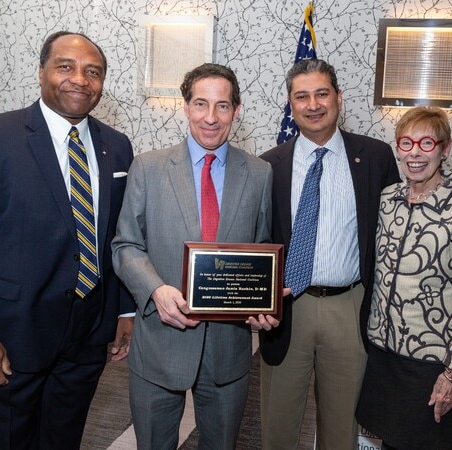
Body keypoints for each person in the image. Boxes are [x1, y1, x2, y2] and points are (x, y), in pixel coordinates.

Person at [258, 59, 452, 450]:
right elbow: (258, 238)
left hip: (351, 308)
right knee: (277, 425)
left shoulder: (376, 156)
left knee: (342, 426)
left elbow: (416, 201)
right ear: (290, 104)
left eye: (321, 93)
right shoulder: (268, 165)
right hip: (285, 309)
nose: (313, 104)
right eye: (302, 96)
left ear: (338, 98)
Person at [0, 31, 135, 449]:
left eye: (93, 71)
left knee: (64, 439)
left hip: (89, 331)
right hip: (12, 334)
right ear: (41, 72)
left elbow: (118, 235)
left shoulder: (117, 147)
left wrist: (124, 311)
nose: (80, 79)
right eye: (66, 66)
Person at [111, 63, 279, 450]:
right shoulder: (148, 168)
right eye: (200, 103)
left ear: (237, 111)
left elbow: (260, 252)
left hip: (228, 352)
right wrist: (154, 290)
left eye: (222, 106)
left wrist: (262, 302)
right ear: (185, 106)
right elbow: (126, 245)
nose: (210, 117)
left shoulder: (259, 173)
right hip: (159, 344)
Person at [355, 106, 452, 450]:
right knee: (386, 442)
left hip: (431, 366)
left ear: (445, 150)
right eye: (406, 143)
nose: (415, 152)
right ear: (398, 149)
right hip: (383, 356)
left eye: (427, 143)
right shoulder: (387, 200)